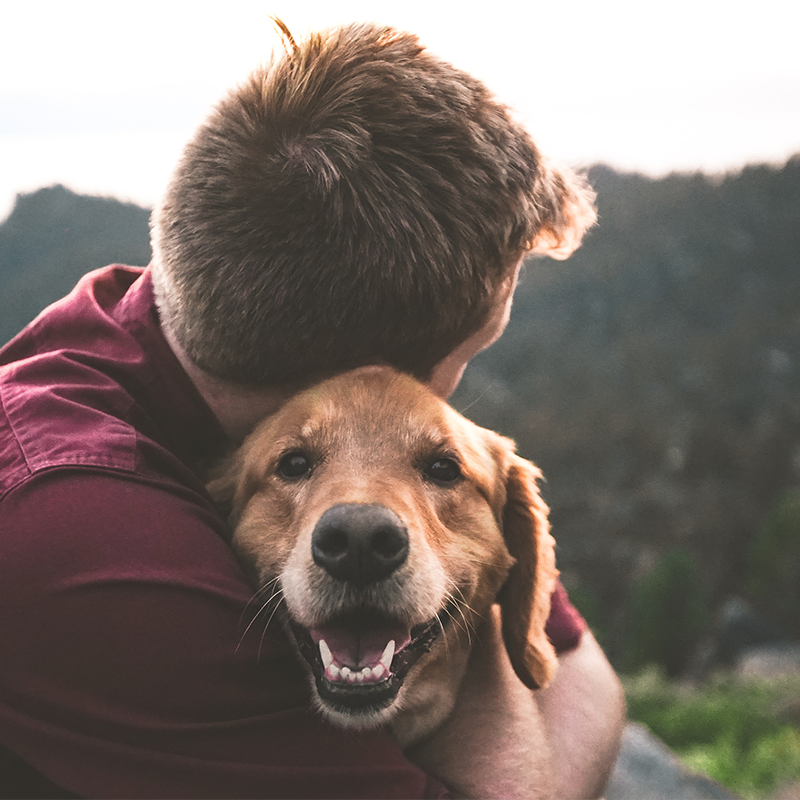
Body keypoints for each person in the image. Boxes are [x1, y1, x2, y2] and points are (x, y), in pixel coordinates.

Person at [0, 21, 624, 800]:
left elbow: (582, 670)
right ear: (366, 372)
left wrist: (475, 609)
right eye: (470, 354)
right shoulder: (76, 528)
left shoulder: (171, 318)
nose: (450, 394)